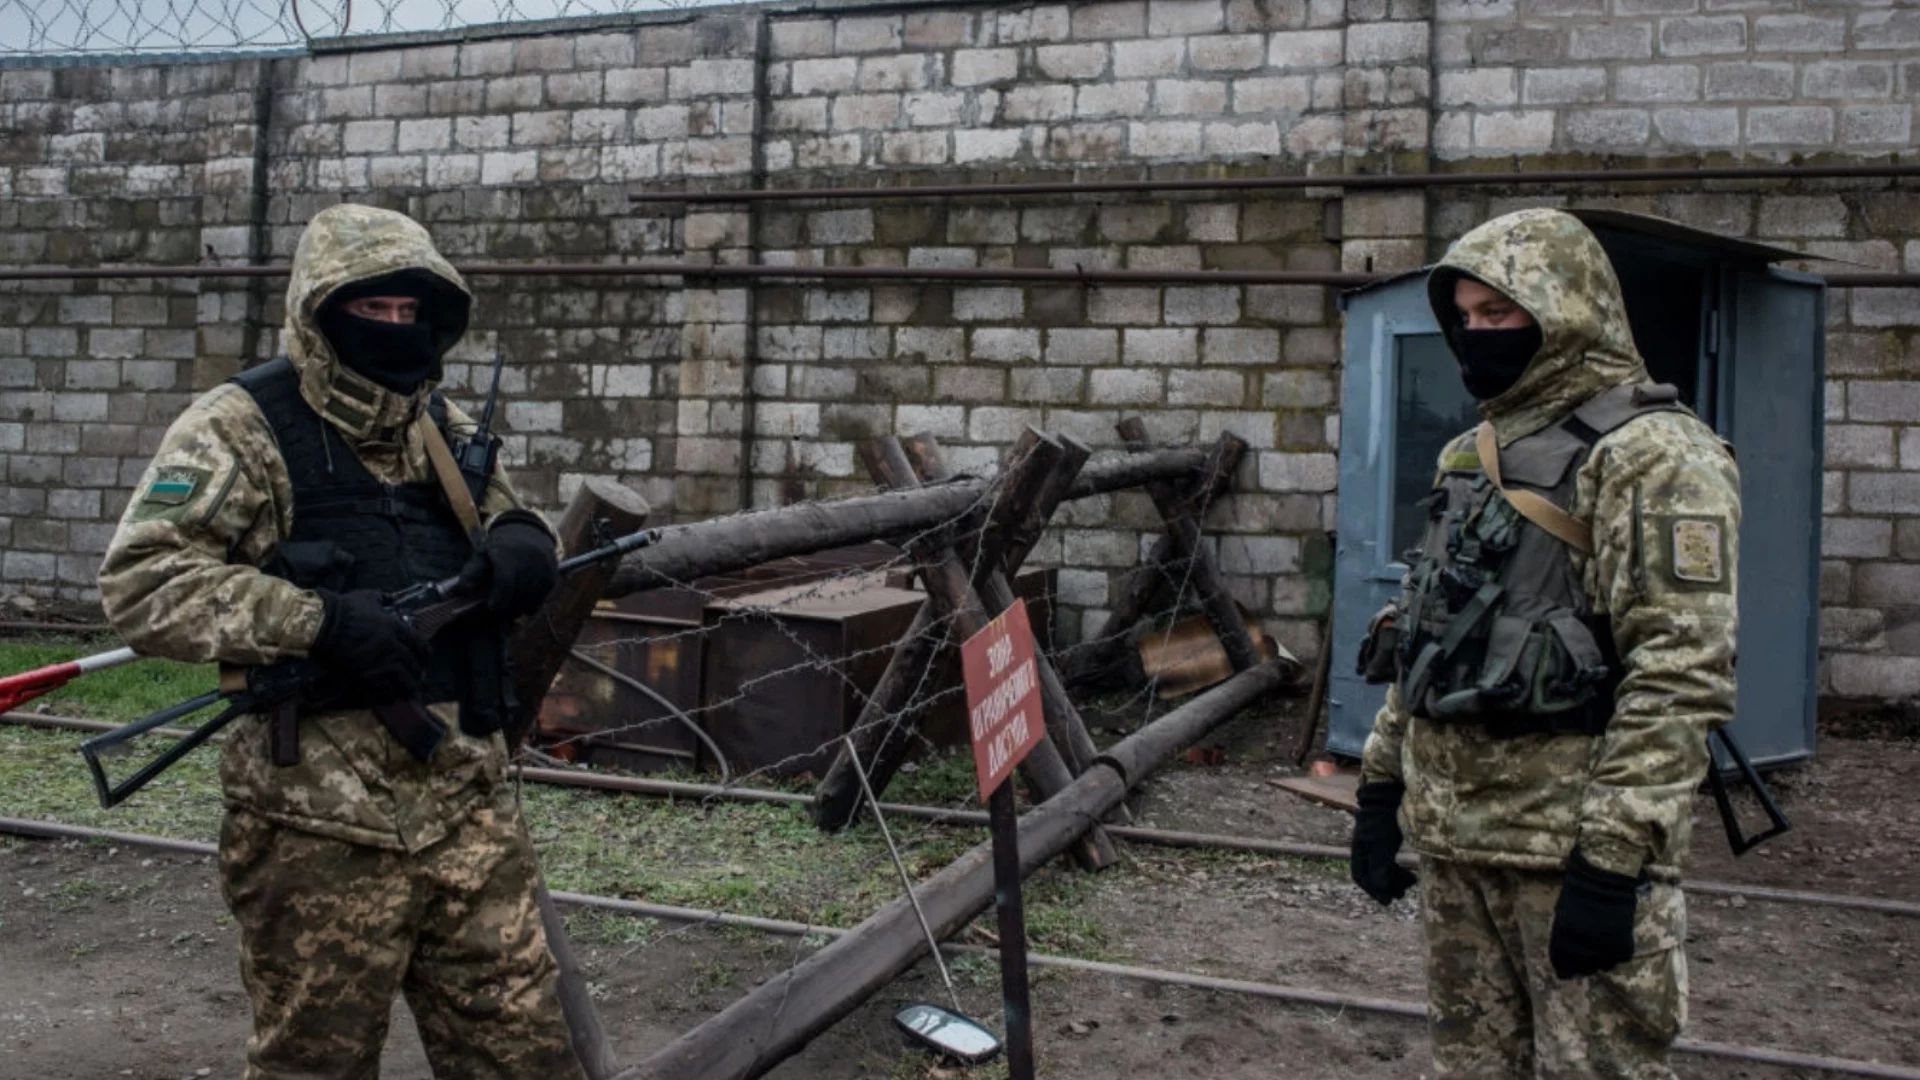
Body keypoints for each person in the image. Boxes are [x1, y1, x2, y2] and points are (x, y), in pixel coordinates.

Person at [98, 204, 586, 1080]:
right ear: (320, 314)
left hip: (468, 802)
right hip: (314, 828)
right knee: (313, 1064)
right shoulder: (238, 428)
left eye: (411, 313)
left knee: (523, 1053)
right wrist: (318, 621)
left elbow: (508, 513)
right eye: (372, 312)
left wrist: (522, 543)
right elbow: (145, 584)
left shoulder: (439, 424)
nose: (396, 331)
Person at [1348, 208, 1740, 1079]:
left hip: (1567, 853)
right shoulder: (1469, 454)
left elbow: (1680, 672)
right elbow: (1429, 630)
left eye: (1504, 315)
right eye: (1469, 317)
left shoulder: (1656, 457)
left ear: (1566, 311)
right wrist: (1382, 786)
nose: (1481, 336)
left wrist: (1612, 859)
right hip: (1457, 841)